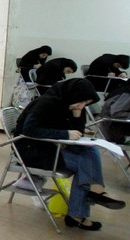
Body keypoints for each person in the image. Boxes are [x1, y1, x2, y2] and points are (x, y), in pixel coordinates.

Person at [14, 79, 126, 230]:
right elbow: (29, 130)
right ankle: (84, 206)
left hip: (51, 146)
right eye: (81, 102)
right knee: (85, 164)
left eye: (86, 103)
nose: (82, 106)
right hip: (31, 150)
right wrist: (65, 134)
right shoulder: (46, 103)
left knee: (90, 149)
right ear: (73, 95)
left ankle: (92, 195)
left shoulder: (71, 105)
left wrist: (77, 115)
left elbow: (78, 133)